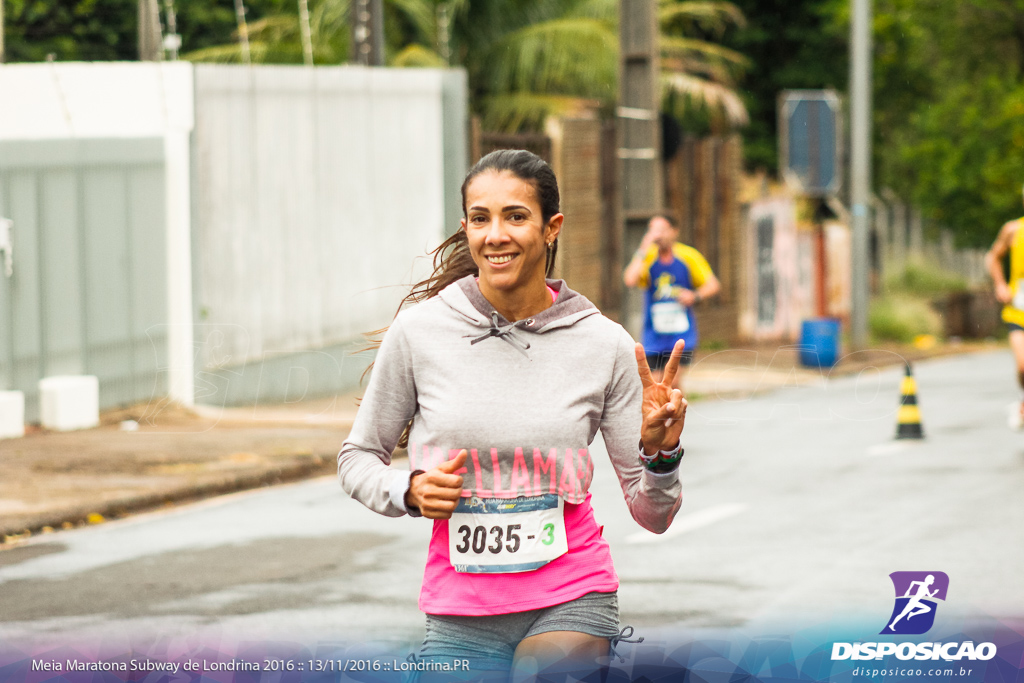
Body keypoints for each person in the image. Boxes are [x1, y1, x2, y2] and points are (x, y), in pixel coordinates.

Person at [338, 149, 687, 681]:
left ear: (552, 228)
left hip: (572, 593)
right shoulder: (420, 333)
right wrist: (407, 489)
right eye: (481, 218)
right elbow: (357, 458)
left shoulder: (602, 343)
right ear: (467, 228)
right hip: (459, 607)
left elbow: (652, 514)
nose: (495, 234)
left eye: (515, 216)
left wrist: (660, 454)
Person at [622, 215, 721, 391]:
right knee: (655, 385)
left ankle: (677, 417)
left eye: (661, 229)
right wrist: (643, 247)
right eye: (652, 230)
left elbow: (713, 285)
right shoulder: (648, 257)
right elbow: (630, 279)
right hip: (655, 333)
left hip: (681, 332)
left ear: (674, 231)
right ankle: (661, 418)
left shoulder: (687, 256)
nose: (657, 234)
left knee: (673, 382)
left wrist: (694, 295)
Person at [984, 190, 1024, 429]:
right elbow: (993, 257)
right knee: (1022, 365)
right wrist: (1000, 284)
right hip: (1018, 310)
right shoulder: (1013, 230)